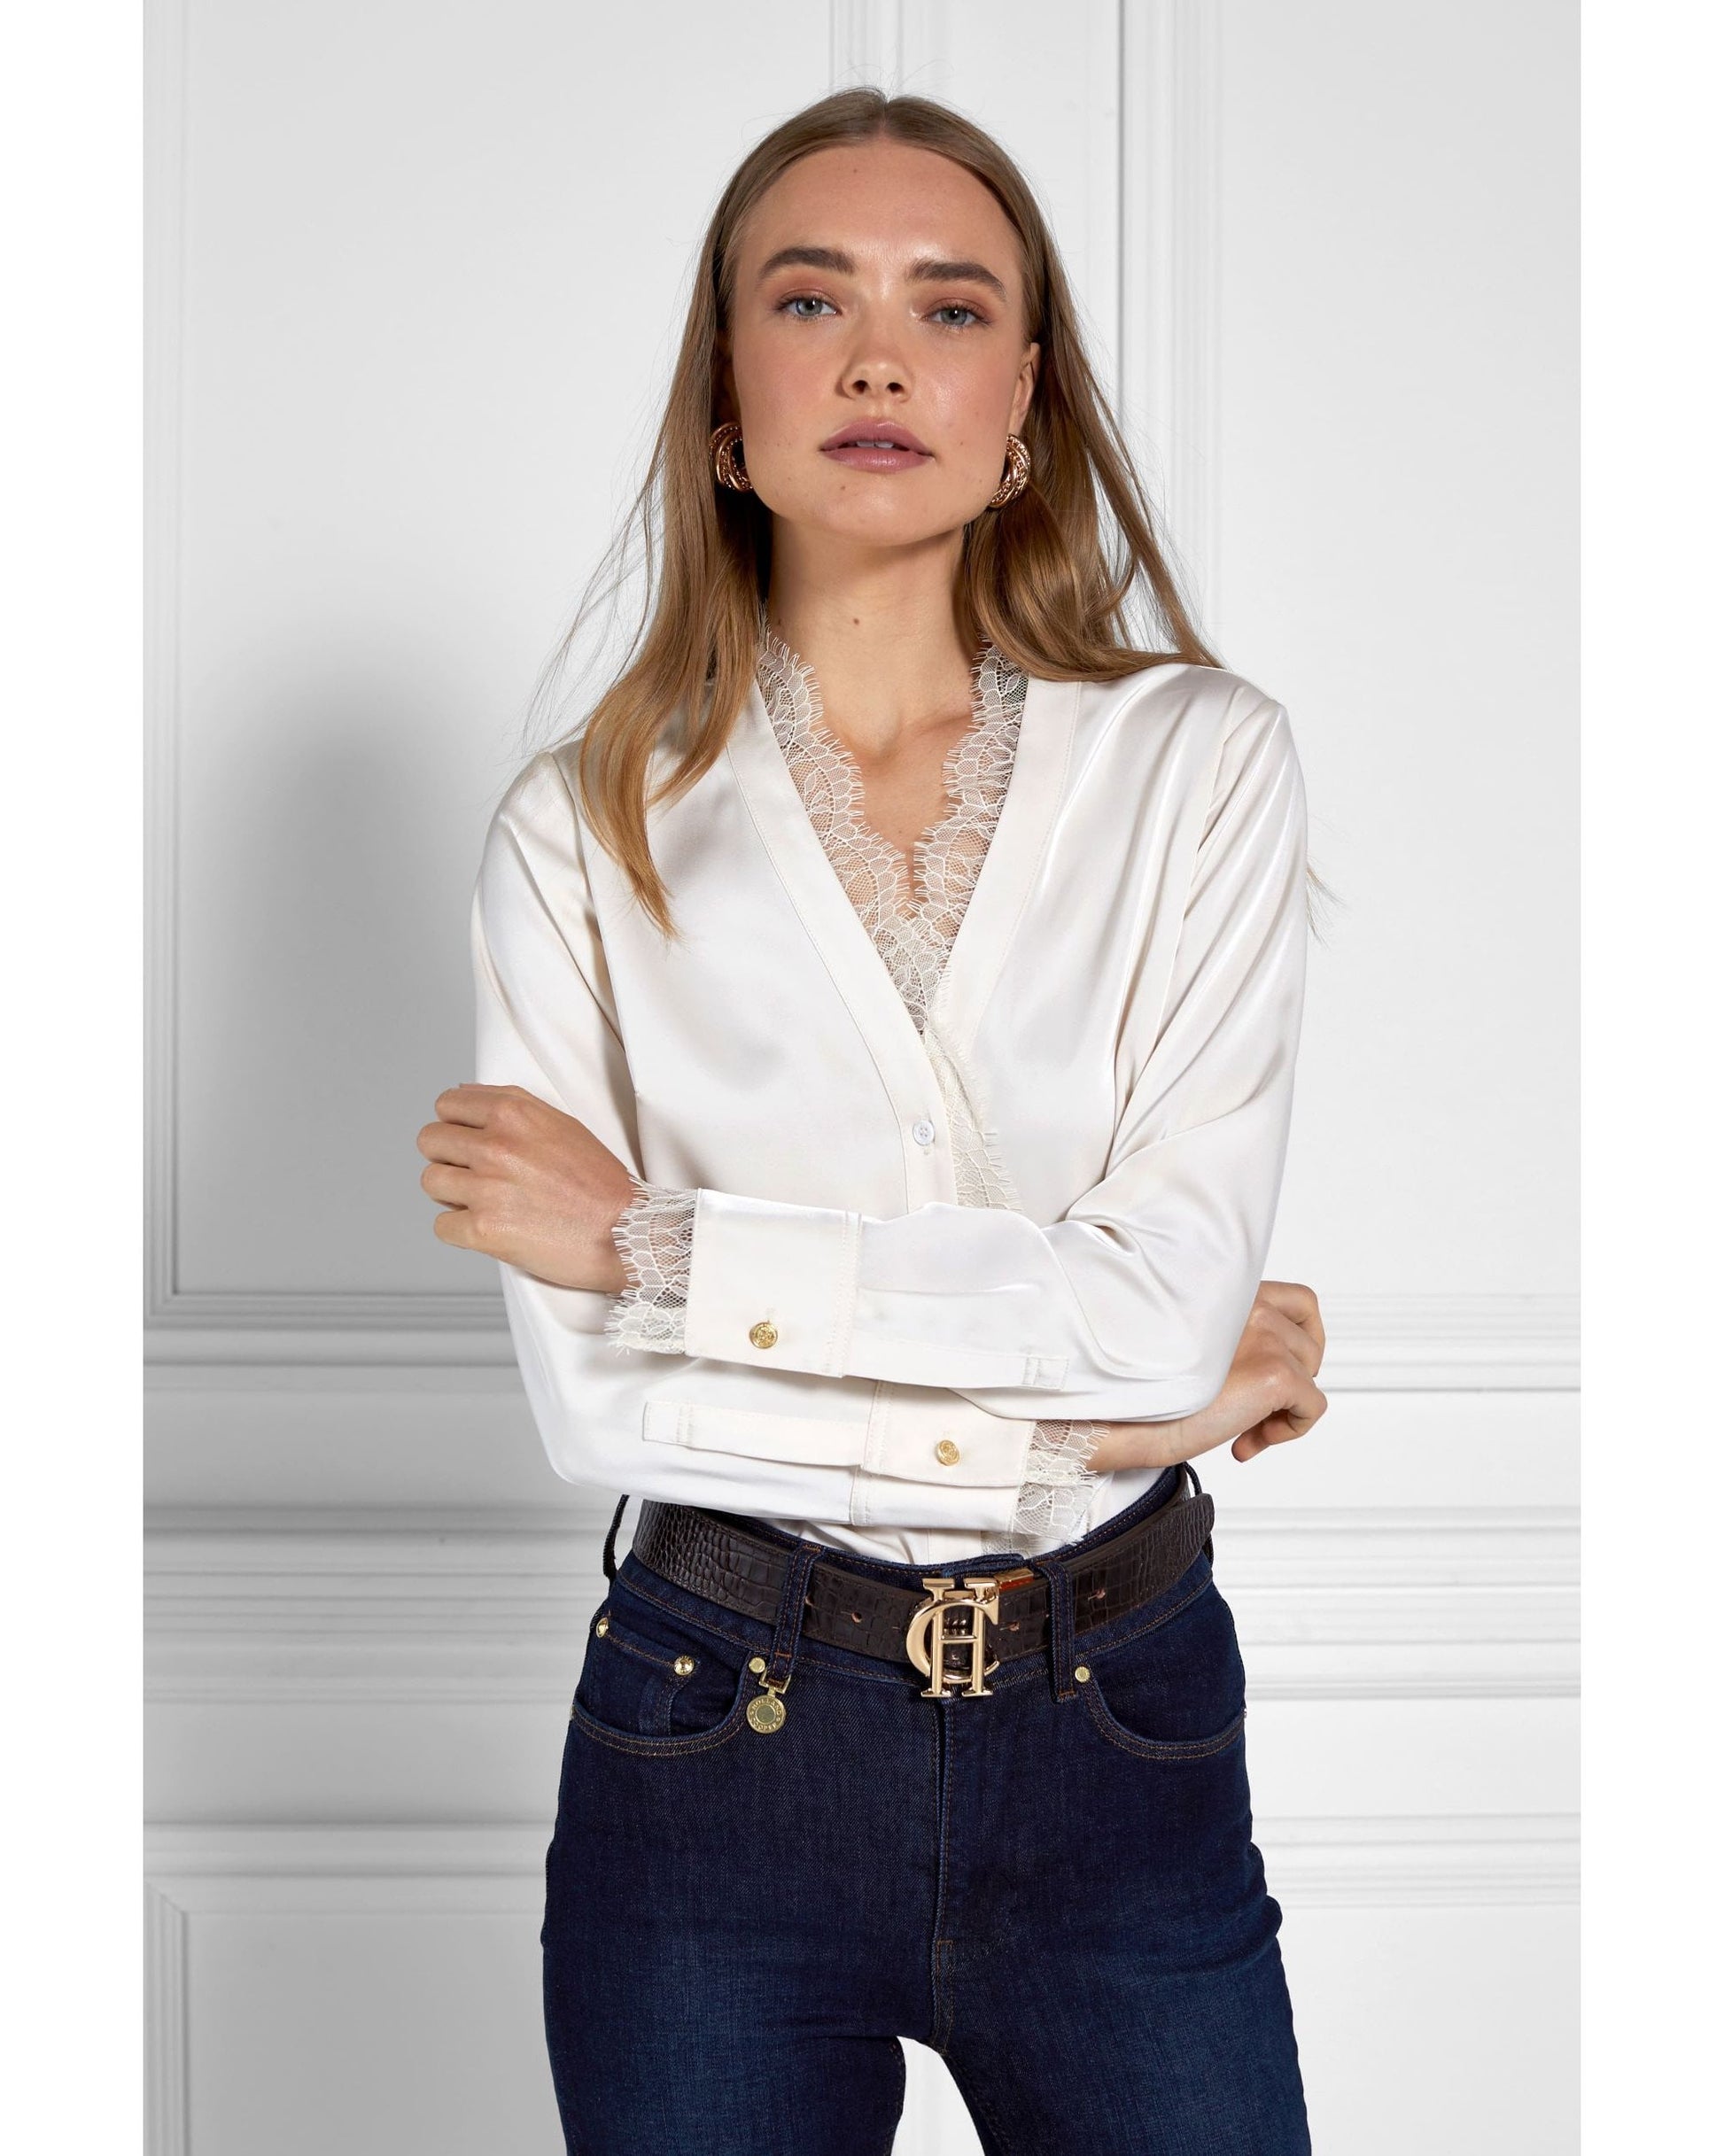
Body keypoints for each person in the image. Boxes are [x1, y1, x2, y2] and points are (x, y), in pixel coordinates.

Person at [419, 86, 1329, 2156]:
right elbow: (611, 1409)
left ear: (1024, 408)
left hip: (1119, 1725)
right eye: (809, 297)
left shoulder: (1198, 764)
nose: (877, 356)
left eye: (951, 304)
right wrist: (1115, 1411)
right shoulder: (580, 830)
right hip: (708, 1738)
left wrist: (662, 1248)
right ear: (724, 405)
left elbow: (1161, 1304)